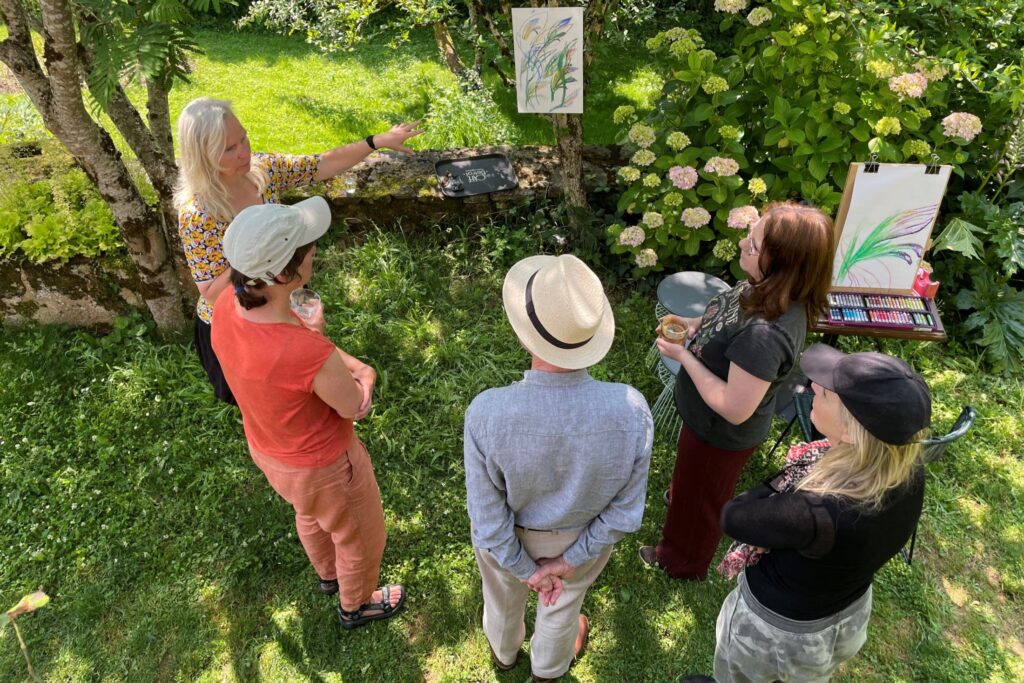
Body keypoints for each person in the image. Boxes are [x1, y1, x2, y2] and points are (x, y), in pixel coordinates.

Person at [681, 344, 932, 683]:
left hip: (778, 632)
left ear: (849, 432)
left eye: (826, 393)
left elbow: (735, 516)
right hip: (845, 611)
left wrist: (782, 481)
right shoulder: (905, 471)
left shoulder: (816, 510)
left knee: (738, 675)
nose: (813, 386)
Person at [211, 197, 404, 629]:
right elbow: (354, 406)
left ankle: (328, 575)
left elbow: (284, 359)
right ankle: (356, 604)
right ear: (284, 274)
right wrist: (366, 377)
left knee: (310, 514)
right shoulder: (303, 351)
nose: (315, 249)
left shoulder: (225, 305)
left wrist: (311, 335)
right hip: (327, 466)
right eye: (308, 248)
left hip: (272, 453)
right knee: (359, 534)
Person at [464, 254, 653, 682]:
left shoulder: (487, 412)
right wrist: (568, 561)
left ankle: (504, 655)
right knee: (562, 606)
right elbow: (626, 511)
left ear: (526, 336)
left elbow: (488, 519)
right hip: (584, 535)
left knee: (501, 600)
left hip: (506, 538)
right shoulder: (631, 409)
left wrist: (527, 570)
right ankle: (547, 672)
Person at [175, 97, 420, 403]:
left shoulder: (263, 171)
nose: (244, 152)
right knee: (262, 398)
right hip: (240, 321)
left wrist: (376, 141)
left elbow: (322, 164)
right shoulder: (198, 213)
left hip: (282, 295)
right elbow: (211, 291)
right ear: (203, 156)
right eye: (229, 148)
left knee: (300, 381)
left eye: (244, 138)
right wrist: (261, 249)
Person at [639, 201, 835, 580]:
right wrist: (694, 325)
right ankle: (684, 501)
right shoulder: (766, 286)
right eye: (752, 234)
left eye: (756, 245)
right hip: (702, 420)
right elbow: (726, 314)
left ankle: (680, 561)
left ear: (783, 263)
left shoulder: (766, 335)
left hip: (719, 432)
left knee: (703, 503)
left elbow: (733, 407)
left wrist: (684, 356)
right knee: (693, 486)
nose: (745, 244)